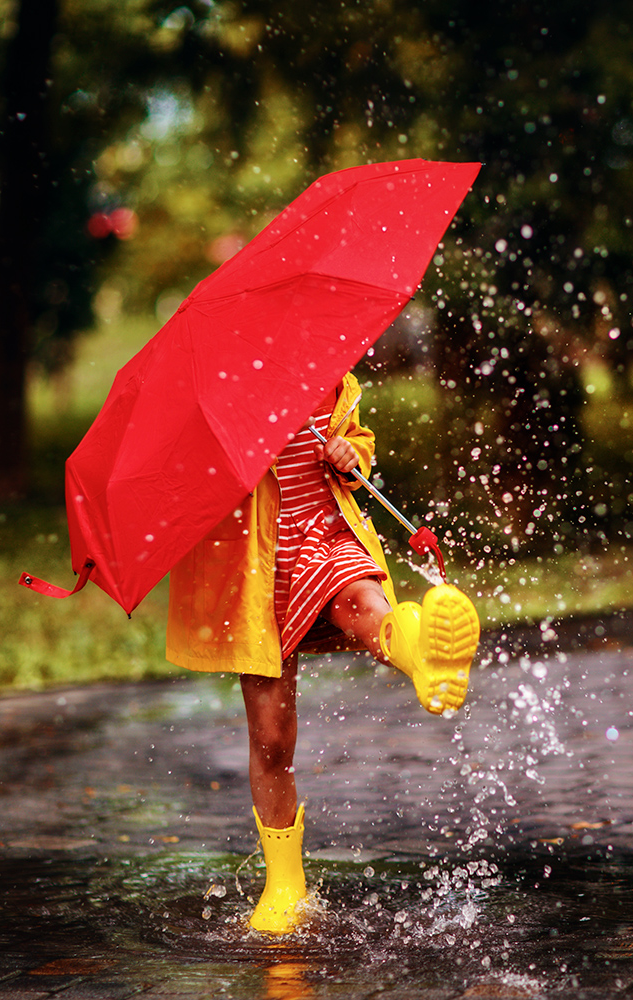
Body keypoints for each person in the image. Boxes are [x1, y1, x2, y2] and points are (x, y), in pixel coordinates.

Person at [164, 370, 479, 934]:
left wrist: (349, 451)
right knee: (271, 737)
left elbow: (358, 440)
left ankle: (422, 652)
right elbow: (184, 481)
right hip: (254, 567)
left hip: (323, 533)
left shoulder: (322, 369)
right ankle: (285, 884)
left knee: (362, 599)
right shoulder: (208, 393)